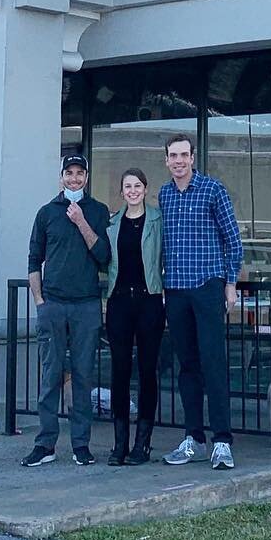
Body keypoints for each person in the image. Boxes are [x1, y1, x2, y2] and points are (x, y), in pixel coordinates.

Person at [158, 133, 244, 470]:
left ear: (193, 157)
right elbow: (163, 245)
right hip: (176, 290)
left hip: (208, 286)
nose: (178, 161)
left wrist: (230, 284)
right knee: (187, 367)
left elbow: (232, 240)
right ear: (166, 161)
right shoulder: (164, 195)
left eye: (183, 155)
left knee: (213, 364)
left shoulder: (212, 190)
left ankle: (222, 440)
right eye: (172, 156)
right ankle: (193, 437)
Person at [22, 152, 111, 468]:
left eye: (80, 174)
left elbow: (103, 256)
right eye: (69, 173)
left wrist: (81, 222)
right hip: (54, 305)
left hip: (86, 305)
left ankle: (81, 445)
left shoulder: (98, 211)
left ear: (86, 177)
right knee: (50, 377)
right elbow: (34, 259)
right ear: (61, 177)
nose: (74, 179)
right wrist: (39, 303)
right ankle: (45, 444)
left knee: (84, 377)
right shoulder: (46, 213)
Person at [102, 167, 165, 466]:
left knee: (147, 371)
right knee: (119, 372)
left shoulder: (157, 220)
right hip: (119, 303)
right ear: (122, 191)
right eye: (127, 186)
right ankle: (119, 445)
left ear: (145, 188)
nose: (132, 191)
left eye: (137, 185)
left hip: (149, 301)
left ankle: (143, 444)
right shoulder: (112, 224)